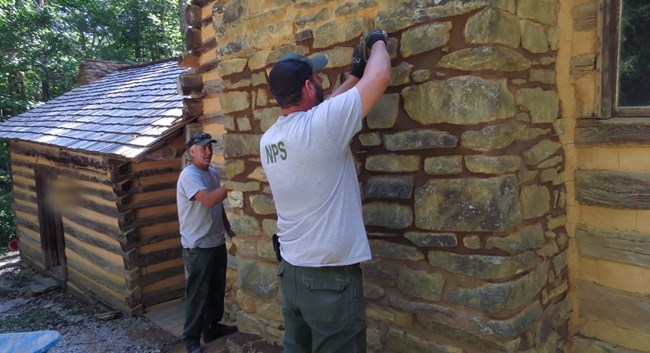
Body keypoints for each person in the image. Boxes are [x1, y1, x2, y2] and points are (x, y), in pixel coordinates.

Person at [260, 29, 391, 353]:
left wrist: (354, 77)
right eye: (317, 78)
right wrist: (377, 41)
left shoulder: (269, 140)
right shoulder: (322, 127)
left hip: (292, 274)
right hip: (328, 280)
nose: (322, 82)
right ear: (307, 87)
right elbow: (381, 75)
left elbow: (328, 108)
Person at [176, 132, 237, 353]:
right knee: (197, 294)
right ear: (192, 151)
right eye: (203, 148)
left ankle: (211, 328)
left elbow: (218, 206)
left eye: (210, 147)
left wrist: (228, 228)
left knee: (215, 289)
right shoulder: (189, 176)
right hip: (197, 246)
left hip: (215, 241)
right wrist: (233, 181)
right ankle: (191, 339)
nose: (208, 151)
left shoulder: (211, 173)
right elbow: (210, 200)